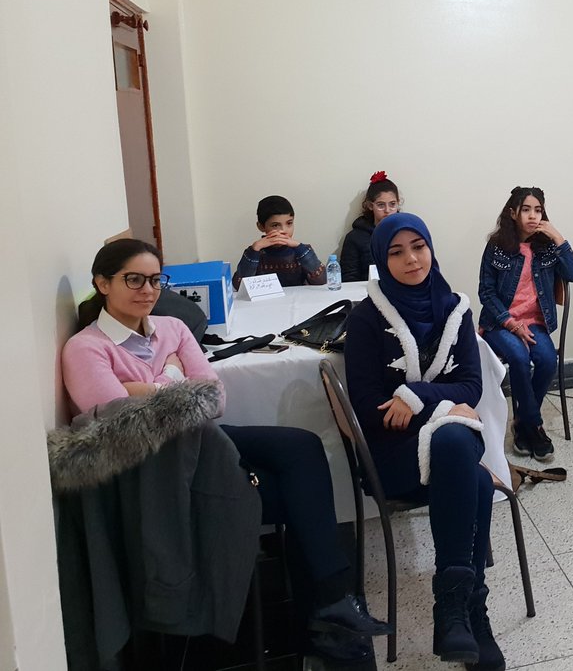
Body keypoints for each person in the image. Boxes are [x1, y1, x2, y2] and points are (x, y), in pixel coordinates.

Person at [61, 239, 389, 664]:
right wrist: (175, 381)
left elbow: (215, 399)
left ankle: (330, 601)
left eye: (155, 280)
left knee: (302, 447)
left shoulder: (173, 329)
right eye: (133, 279)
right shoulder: (86, 347)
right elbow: (115, 420)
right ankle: (328, 609)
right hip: (154, 468)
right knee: (295, 493)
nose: (147, 290)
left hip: (201, 441)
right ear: (102, 283)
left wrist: (148, 390)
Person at [343, 213, 505, 671]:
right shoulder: (366, 320)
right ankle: (468, 606)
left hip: (443, 444)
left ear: (431, 248)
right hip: (393, 456)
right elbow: (370, 407)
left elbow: (471, 385)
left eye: (418, 246)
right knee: (471, 474)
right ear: (380, 259)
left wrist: (417, 396)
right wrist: (445, 407)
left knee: (455, 443)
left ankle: (454, 611)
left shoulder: (456, 308)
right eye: (396, 252)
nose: (411, 259)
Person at [478, 187, 573, 462]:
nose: (533, 216)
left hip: (535, 322)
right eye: (526, 209)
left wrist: (557, 236)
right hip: (500, 322)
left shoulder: (546, 247)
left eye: (538, 210)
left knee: (547, 360)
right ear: (513, 213)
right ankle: (534, 426)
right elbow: (485, 293)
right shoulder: (497, 246)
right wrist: (511, 323)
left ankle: (522, 424)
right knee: (518, 356)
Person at [234, 195, 326, 289]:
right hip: (265, 302)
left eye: (289, 223)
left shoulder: (302, 251)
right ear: (261, 227)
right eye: (275, 225)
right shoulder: (255, 253)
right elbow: (239, 286)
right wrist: (254, 250)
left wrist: (300, 248)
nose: (284, 230)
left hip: (297, 301)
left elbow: (322, 280)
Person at [341, 171, 403, 282]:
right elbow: (349, 278)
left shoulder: (406, 233)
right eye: (381, 205)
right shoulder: (355, 237)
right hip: (365, 294)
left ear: (398, 203)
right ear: (370, 206)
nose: (387, 210)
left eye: (392, 204)